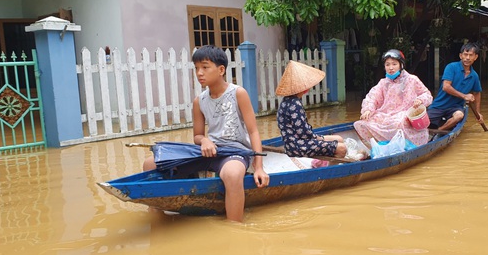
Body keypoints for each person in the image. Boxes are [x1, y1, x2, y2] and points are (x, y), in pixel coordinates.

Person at [142, 45, 269, 222]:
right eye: (196, 68)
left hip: (234, 152)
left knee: (232, 175)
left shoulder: (238, 93)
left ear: (221, 70)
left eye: (205, 67)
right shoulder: (199, 101)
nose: (199, 73)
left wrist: (259, 167)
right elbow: (197, 135)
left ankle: (235, 227)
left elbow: (253, 131)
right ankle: (156, 216)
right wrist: (204, 141)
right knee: (150, 164)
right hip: (209, 151)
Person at [353, 49, 433, 146]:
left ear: (401, 65)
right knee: (362, 123)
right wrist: (368, 110)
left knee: (399, 122)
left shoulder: (412, 79)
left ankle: (404, 145)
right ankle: (381, 145)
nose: (391, 68)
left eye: (394, 64)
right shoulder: (383, 83)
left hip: (404, 113)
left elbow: (427, 94)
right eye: (387, 65)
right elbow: (372, 98)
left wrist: (420, 100)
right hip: (386, 114)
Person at [276, 60, 347, 159]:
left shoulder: (286, 101)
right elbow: (304, 134)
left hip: (294, 144)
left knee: (339, 138)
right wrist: (320, 139)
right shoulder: (295, 104)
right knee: (342, 148)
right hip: (298, 147)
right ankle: (327, 169)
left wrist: (320, 138)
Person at [427, 42, 484, 132]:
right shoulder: (451, 67)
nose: (467, 58)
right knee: (422, 123)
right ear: (460, 56)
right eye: (465, 54)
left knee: (459, 116)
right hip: (439, 106)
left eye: (471, 55)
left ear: (475, 57)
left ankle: (439, 131)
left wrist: (478, 113)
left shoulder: (474, 76)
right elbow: (446, 87)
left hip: (455, 107)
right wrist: (464, 96)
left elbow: (477, 93)